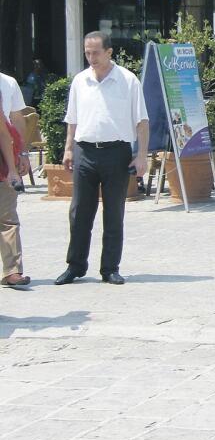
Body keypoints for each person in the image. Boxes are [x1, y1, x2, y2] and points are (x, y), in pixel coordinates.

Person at [55, 32, 149, 286]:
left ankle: (110, 267)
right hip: (85, 150)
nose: (91, 58)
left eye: (96, 52)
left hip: (116, 152)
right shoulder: (80, 81)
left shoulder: (128, 81)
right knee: (79, 212)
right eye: (87, 53)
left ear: (109, 52)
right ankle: (75, 266)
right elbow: (72, 120)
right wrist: (68, 149)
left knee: (114, 211)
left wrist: (141, 156)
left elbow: (142, 121)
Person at [0, 74, 29, 288]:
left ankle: (12, 271)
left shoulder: (7, 83)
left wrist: (13, 166)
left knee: (7, 216)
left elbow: (5, 132)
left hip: (2, 160)